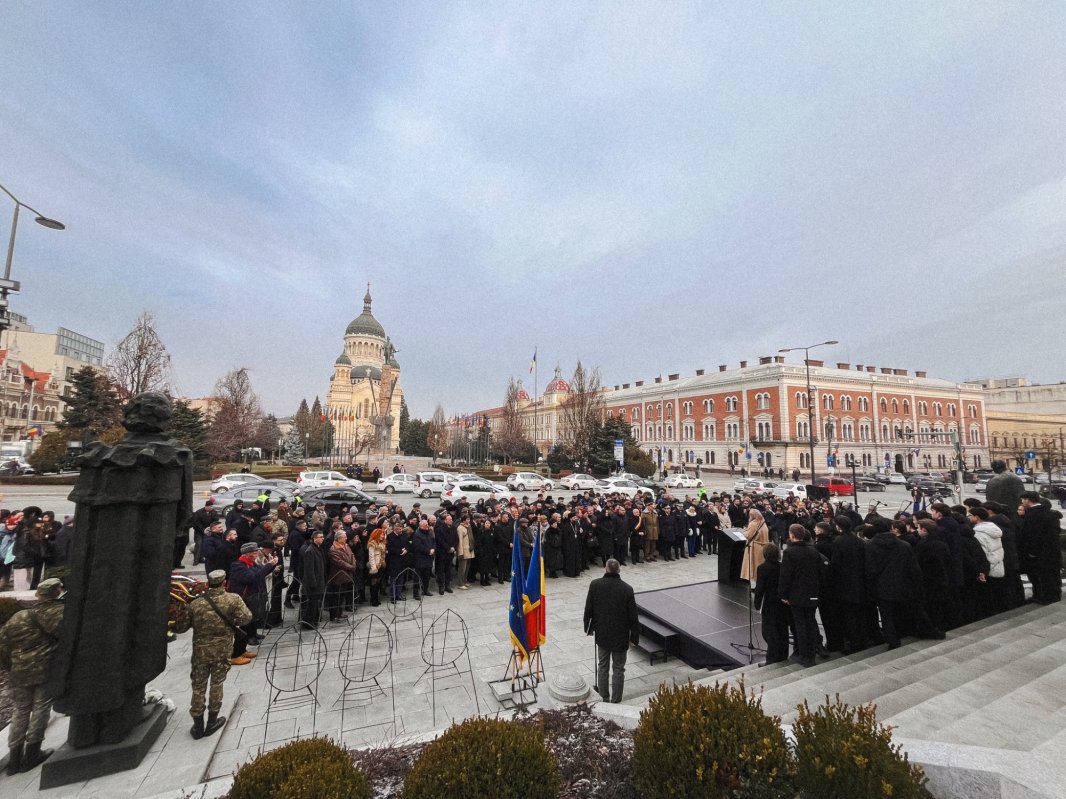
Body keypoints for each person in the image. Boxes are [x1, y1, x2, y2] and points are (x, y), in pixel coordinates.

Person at [176, 570, 252, 739]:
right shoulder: (232, 599)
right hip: (222, 650)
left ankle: (197, 725)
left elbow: (180, 627)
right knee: (217, 684)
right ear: (224, 583)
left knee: (198, 687)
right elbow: (246, 618)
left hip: (200, 651)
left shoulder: (195, 604)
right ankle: (212, 721)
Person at [0, 578, 65, 774]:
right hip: (42, 670)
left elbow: (3, 645)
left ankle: (15, 758)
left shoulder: (17, 617)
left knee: (20, 711)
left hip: (18, 673)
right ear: (56, 593)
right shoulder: (48, 614)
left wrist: (9, 667)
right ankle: (33, 753)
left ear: (38, 595)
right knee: (40, 708)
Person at [583, 559, 640, 704]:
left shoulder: (595, 585)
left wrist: (588, 627)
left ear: (605, 568)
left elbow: (588, 608)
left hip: (602, 634)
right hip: (620, 636)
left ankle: (604, 697)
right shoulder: (627, 589)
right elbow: (633, 616)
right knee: (619, 669)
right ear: (619, 570)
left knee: (602, 666)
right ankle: (616, 700)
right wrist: (634, 637)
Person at [778, 524, 822, 667]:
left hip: (797, 594)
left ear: (792, 535)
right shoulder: (813, 550)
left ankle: (804, 655)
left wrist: (783, 594)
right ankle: (812, 652)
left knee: (801, 625)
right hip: (812, 592)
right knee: (810, 622)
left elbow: (786, 576)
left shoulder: (789, 553)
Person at [1018, 492, 1063, 604]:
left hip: (1041, 552)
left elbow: (1032, 535)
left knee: (1044, 576)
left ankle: (1047, 598)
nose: (1022, 503)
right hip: (1052, 550)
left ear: (1028, 500)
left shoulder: (1033, 514)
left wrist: (1032, 551)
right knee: (1053, 575)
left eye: (1023, 500)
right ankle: (1055, 596)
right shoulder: (1048, 512)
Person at [752, 543, 789, 665]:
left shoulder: (763, 568)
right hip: (783, 602)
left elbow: (760, 588)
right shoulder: (783, 566)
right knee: (782, 629)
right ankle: (783, 655)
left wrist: (757, 604)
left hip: (770, 603)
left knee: (769, 631)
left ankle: (772, 658)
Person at [299, 530, 327, 627]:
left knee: (315, 604)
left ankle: (314, 620)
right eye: (320, 537)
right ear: (314, 538)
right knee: (311, 604)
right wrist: (313, 583)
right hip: (313, 583)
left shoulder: (319, 548)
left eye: (322, 537)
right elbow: (309, 569)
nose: (322, 538)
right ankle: (308, 622)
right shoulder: (310, 551)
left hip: (319, 580)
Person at [740, 508, 769, 583]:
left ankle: (753, 582)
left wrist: (744, 531)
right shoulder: (763, 522)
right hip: (763, 546)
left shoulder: (753, 523)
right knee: (760, 564)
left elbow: (749, 535)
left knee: (753, 565)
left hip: (754, 547)